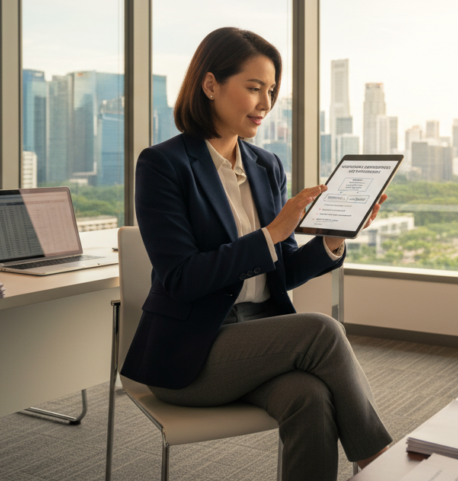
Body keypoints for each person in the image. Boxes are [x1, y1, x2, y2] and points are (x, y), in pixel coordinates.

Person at [121, 27, 393, 480]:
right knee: (322, 330)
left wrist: (331, 239)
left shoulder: (267, 166)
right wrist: (270, 234)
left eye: (270, 90)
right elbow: (180, 278)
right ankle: (381, 464)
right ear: (210, 85)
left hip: (259, 341)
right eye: (253, 88)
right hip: (191, 354)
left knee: (310, 397)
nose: (265, 103)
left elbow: (279, 273)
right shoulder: (162, 164)